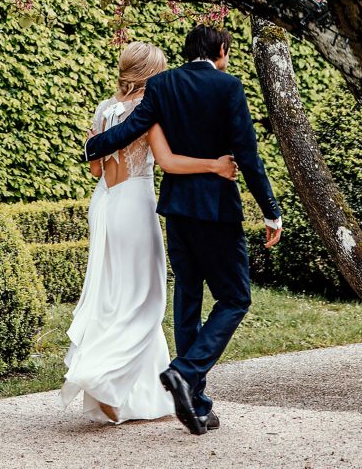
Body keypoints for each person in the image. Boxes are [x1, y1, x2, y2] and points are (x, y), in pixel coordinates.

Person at [85, 25, 283, 436]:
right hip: (215, 211)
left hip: (175, 210)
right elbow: (246, 153)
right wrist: (271, 212)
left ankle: (196, 404)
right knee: (234, 297)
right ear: (222, 51)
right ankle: (184, 371)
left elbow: (128, 129)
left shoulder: (164, 84)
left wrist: (93, 146)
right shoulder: (228, 86)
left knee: (188, 298)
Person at [61, 41, 238, 425]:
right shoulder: (150, 110)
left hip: (104, 204)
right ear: (150, 74)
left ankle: (135, 393)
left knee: (114, 294)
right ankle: (103, 377)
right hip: (135, 208)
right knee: (147, 299)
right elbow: (169, 162)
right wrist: (215, 165)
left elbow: (95, 169)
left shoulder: (104, 110)